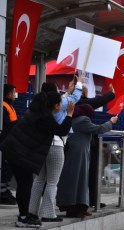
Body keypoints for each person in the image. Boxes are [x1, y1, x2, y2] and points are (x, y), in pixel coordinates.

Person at [0, 91, 74, 228]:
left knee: (26, 183)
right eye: (59, 104)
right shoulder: (44, 118)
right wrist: (69, 114)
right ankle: (23, 218)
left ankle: (26, 215)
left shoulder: (37, 112)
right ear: (56, 106)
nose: (60, 106)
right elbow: (62, 130)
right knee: (25, 184)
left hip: (15, 150)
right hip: (18, 152)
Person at [28, 76, 84, 222]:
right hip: (56, 145)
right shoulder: (60, 105)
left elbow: (64, 99)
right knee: (52, 181)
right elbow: (75, 97)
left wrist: (68, 92)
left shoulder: (39, 105)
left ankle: (32, 211)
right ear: (55, 98)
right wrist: (79, 83)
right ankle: (47, 213)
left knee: (39, 180)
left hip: (41, 145)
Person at [56, 104, 118, 218]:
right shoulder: (83, 120)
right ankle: (75, 207)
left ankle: (77, 206)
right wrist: (111, 121)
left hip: (77, 153)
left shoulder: (75, 119)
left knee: (77, 180)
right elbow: (98, 129)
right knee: (78, 180)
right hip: (78, 154)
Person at [76, 84, 115, 209]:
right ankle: (86, 201)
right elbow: (96, 102)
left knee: (90, 174)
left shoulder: (75, 106)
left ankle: (89, 200)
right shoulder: (78, 105)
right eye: (85, 93)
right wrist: (111, 95)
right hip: (84, 147)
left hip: (84, 146)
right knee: (89, 174)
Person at [0, 84, 18, 205]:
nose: (15, 95)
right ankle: (2, 192)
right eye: (14, 92)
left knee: (9, 168)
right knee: (5, 168)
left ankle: (5, 190)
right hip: (5, 141)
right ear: (8, 94)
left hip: (11, 141)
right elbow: (6, 124)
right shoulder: (3, 106)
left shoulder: (9, 105)